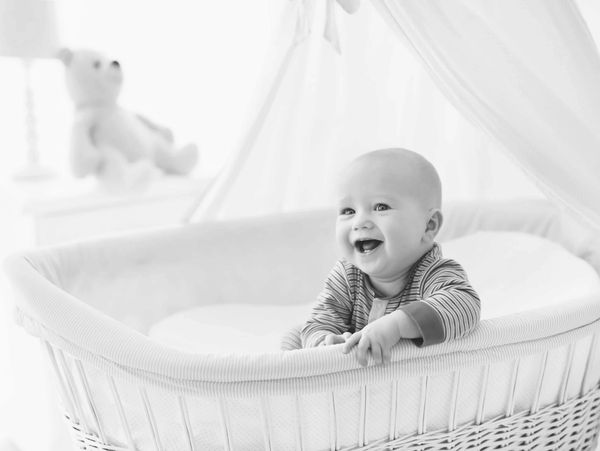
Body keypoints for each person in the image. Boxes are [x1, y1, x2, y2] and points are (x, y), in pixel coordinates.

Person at [300, 148, 480, 366]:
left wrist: (395, 325)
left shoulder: (434, 272)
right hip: (356, 381)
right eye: (348, 211)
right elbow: (318, 322)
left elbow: (464, 305)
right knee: (294, 337)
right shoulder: (347, 275)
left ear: (428, 226)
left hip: (414, 380)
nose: (359, 222)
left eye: (380, 207)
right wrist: (325, 342)